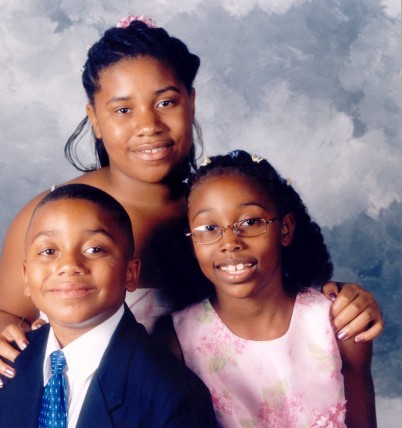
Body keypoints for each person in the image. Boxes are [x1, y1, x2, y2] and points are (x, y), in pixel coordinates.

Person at [0, 17, 383, 388]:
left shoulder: (219, 213)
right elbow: (0, 311)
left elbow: (285, 294)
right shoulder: (52, 215)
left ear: (191, 101)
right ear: (96, 119)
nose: (148, 126)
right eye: (123, 109)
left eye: (166, 102)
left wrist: (346, 298)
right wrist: (4, 339)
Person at [161, 150, 376, 427]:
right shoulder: (177, 341)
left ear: (285, 229)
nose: (229, 242)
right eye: (209, 227)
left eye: (250, 222)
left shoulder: (338, 323)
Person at [0, 183, 217, 428]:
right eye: (48, 250)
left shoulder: (172, 395)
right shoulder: (13, 362)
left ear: (130, 273)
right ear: (25, 277)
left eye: (95, 249)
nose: (69, 264)